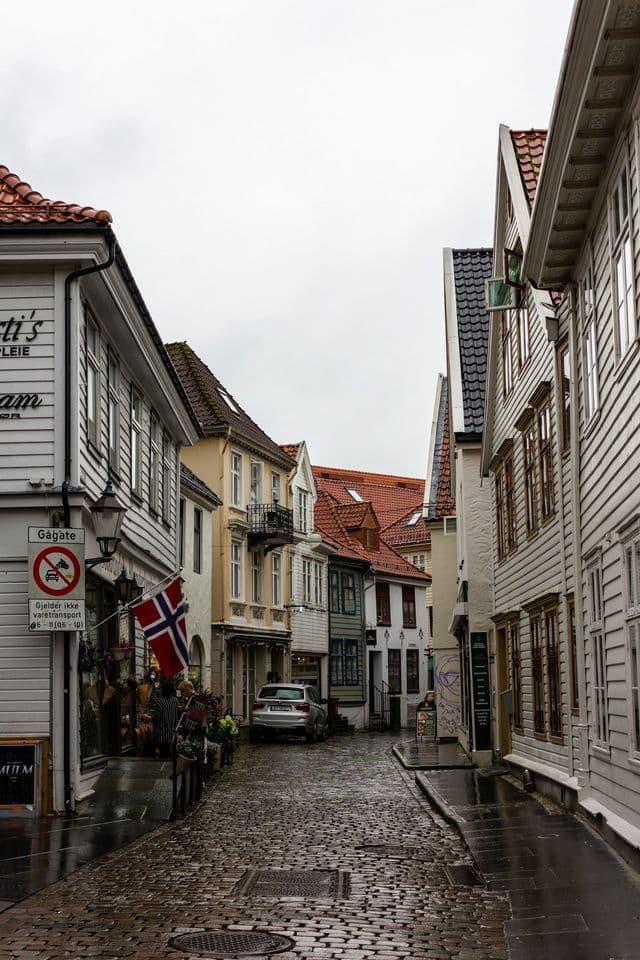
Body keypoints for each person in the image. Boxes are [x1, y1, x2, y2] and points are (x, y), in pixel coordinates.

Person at [150, 680, 180, 759]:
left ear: (163, 690)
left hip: (161, 735)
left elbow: (157, 717)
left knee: (162, 756)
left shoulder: (160, 701)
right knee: (167, 757)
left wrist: (151, 719)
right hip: (172, 734)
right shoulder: (175, 701)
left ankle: (157, 752)